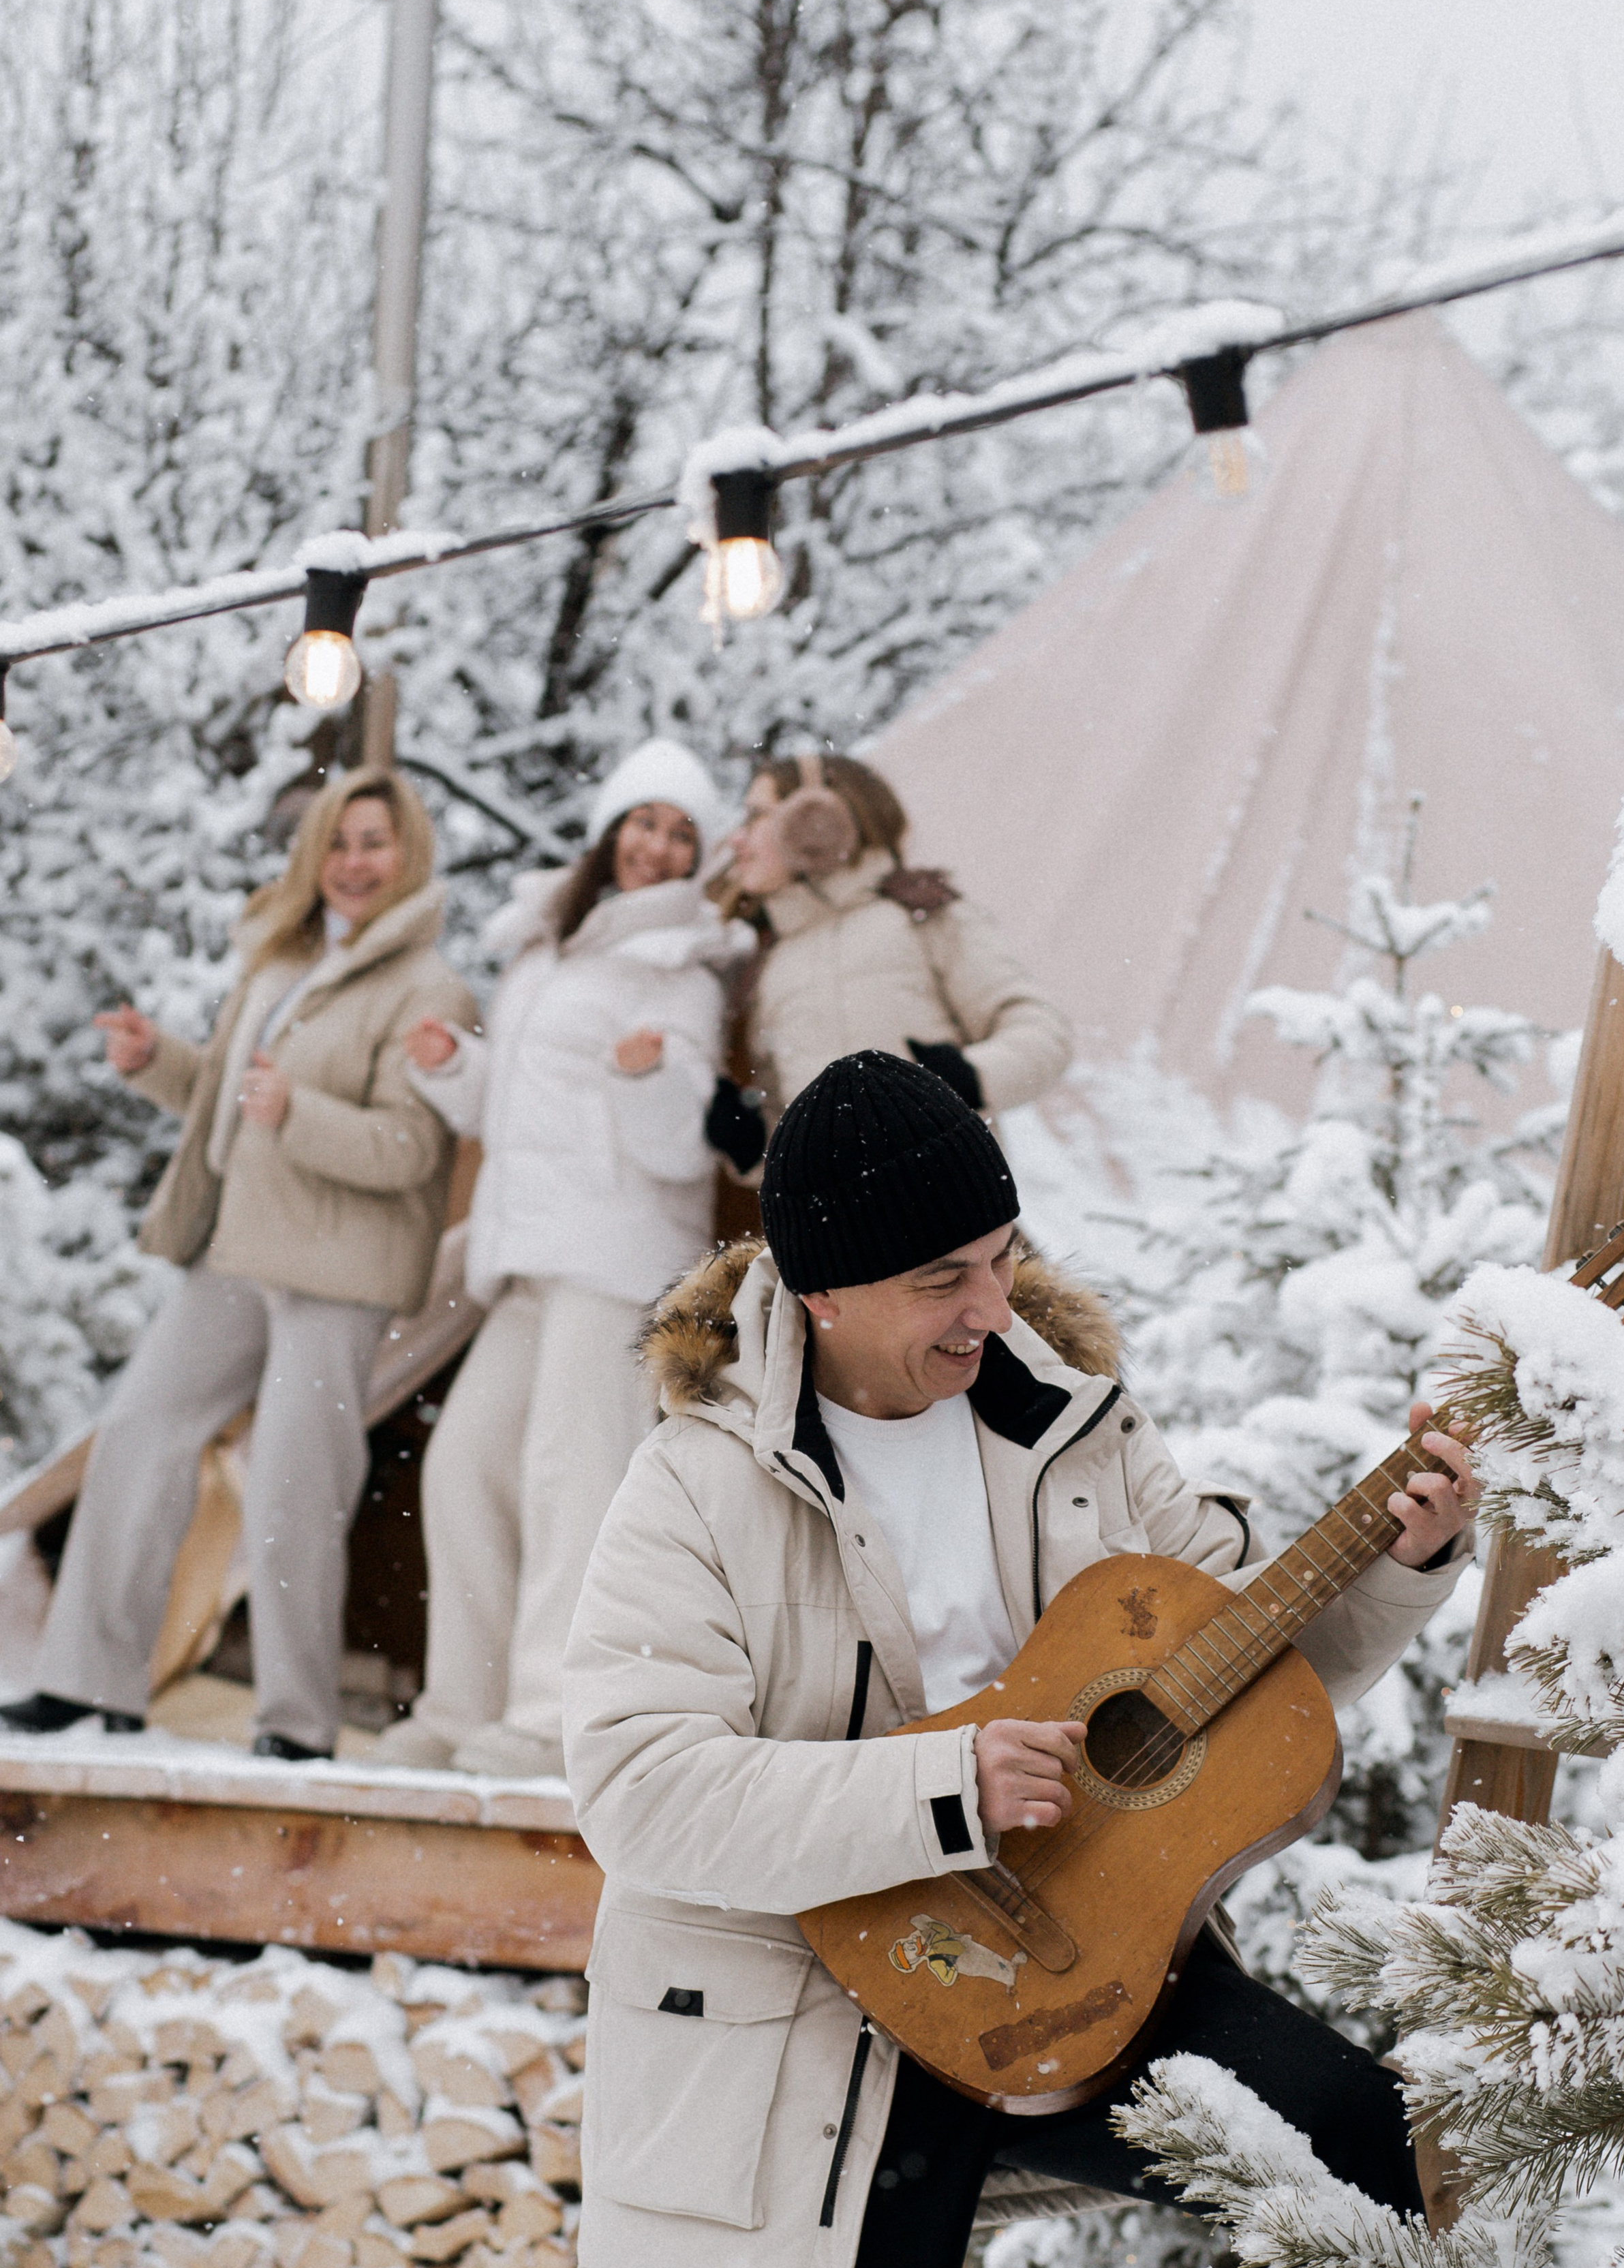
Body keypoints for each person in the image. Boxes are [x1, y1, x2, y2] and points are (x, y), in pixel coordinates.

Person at [564, 1050, 1477, 2268]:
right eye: (941, 1279)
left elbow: (1239, 1667)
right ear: (822, 1292)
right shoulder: (695, 1486)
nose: (989, 1309)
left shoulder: (1071, 1426)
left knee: (1342, 2140)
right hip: (831, 2000)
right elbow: (641, 1794)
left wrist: (1407, 1560)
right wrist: (944, 1788)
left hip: (1089, 1957)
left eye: (999, 1260)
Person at [2, 767, 474, 1762]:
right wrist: (154, 1063)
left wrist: (299, 1115)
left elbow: (411, 1153)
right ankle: (89, 1685)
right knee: (138, 1433)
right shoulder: (281, 962)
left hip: (337, 1271)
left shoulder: (426, 989)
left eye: (375, 842)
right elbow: (232, 1100)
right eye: (338, 843)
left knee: (295, 1486)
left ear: (409, 856)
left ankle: (296, 1726)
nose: (354, 862)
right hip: (238, 1247)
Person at [378, 738, 749, 1781]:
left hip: (618, 1257)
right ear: (611, 831)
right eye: (645, 822)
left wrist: (647, 1080)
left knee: (572, 1477)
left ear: (696, 856)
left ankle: (550, 1717)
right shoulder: (551, 945)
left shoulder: (682, 967)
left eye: (681, 834)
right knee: (464, 1469)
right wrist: (459, 1071)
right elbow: (518, 1108)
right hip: (534, 1253)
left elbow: (683, 1143)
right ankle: (460, 1704)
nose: (657, 847)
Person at [703, 752, 1071, 1176]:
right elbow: (792, 1141)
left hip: (957, 1214)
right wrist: (753, 1145)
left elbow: (1044, 1034)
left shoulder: (923, 915)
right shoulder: (767, 965)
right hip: (841, 1236)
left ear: (814, 818)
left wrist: (970, 1079)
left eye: (754, 818)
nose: (736, 840)